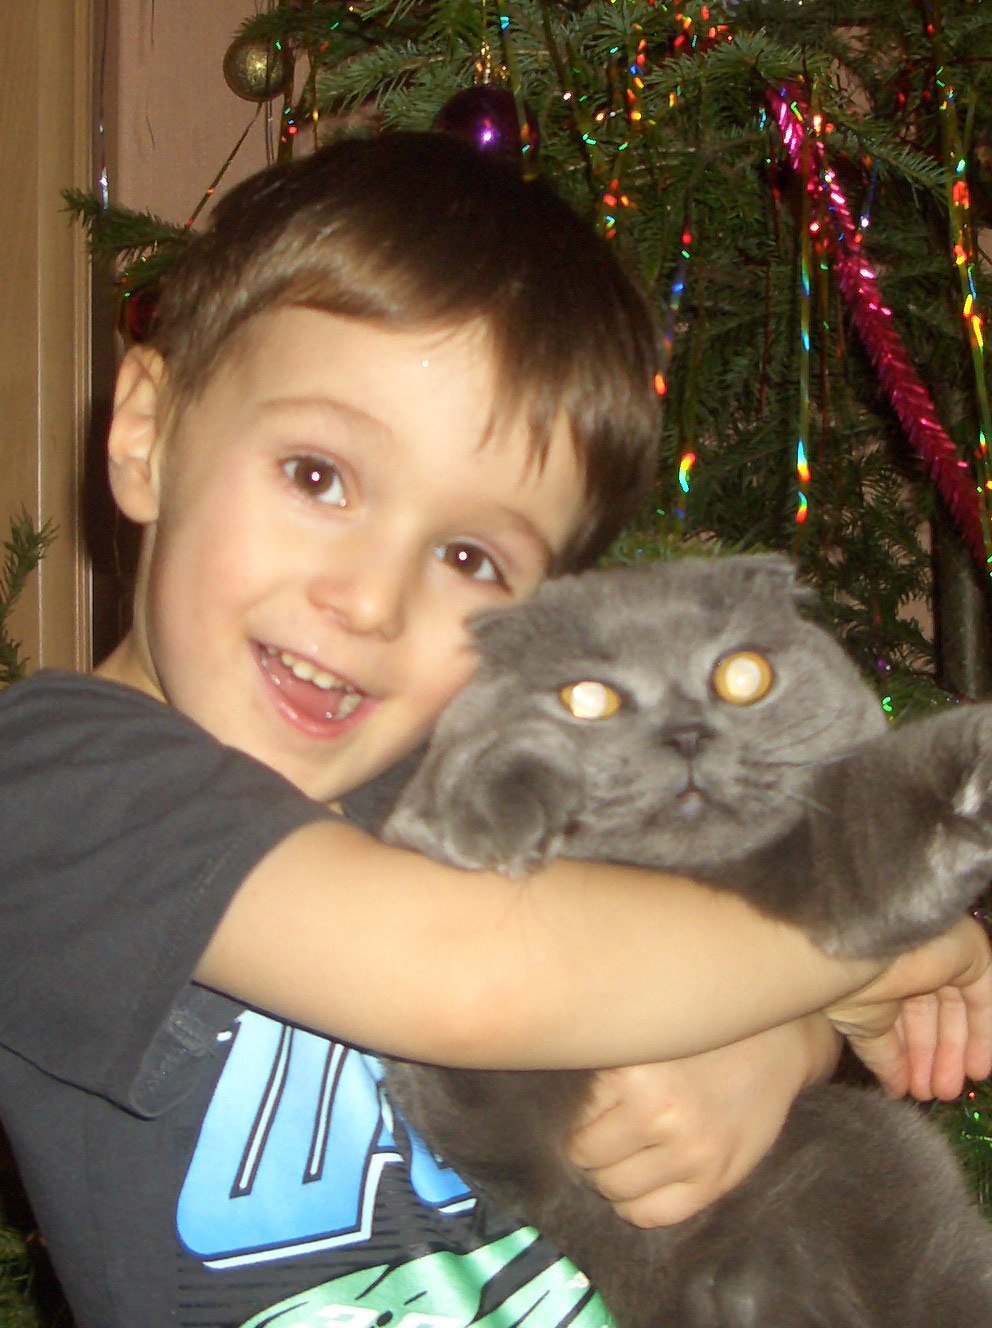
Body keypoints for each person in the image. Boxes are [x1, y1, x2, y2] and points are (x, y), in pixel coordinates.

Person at [0, 131, 988, 1328]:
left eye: (469, 557)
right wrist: (862, 933)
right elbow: (465, 971)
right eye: (316, 476)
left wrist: (777, 1039)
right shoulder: (53, 781)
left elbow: (673, 946)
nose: (371, 600)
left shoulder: (476, 780)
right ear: (146, 431)